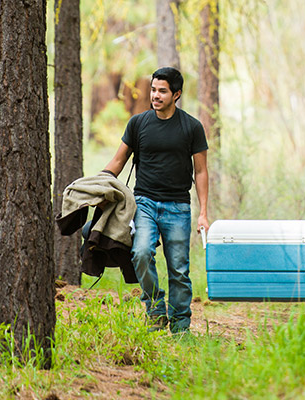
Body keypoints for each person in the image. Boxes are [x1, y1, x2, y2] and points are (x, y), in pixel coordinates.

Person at [103, 67, 209, 334]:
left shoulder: (192, 127)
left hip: (178, 206)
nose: (155, 95)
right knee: (140, 253)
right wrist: (98, 185)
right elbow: (118, 161)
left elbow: (202, 171)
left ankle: (181, 326)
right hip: (144, 203)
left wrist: (203, 212)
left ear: (177, 95)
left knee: (179, 270)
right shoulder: (138, 124)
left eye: (162, 91)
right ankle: (154, 310)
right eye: (153, 89)